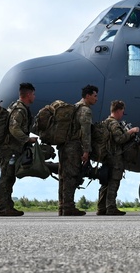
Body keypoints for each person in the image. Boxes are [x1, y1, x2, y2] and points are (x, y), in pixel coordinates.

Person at [0, 82, 37, 217]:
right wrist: (27, 139)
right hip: (10, 149)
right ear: (28, 95)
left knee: (9, 177)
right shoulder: (19, 110)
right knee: (6, 178)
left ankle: (7, 207)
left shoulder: (16, 107)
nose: (35, 97)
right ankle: (3, 208)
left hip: (11, 149)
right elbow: (14, 128)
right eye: (33, 94)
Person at [59, 84, 98, 216]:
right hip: (74, 147)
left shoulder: (74, 107)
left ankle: (62, 206)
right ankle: (68, 207)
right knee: (71, 176)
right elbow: (85, 132)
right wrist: (86, 151)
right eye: (94, 96)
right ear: (88, 96)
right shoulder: (85, 110)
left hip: (64, 146)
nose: (96, 99)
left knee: (64, 176)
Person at [96, 99, 139, 215]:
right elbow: (119, 139)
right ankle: (111, 208)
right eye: (122, 112)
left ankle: (101, 208)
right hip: (115, 156)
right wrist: (130, 132)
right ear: (118, 111)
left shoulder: (105, 122)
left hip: (106, 155)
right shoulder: (114, 124)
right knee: (114, 182)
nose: (122, 115)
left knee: (105, 182)